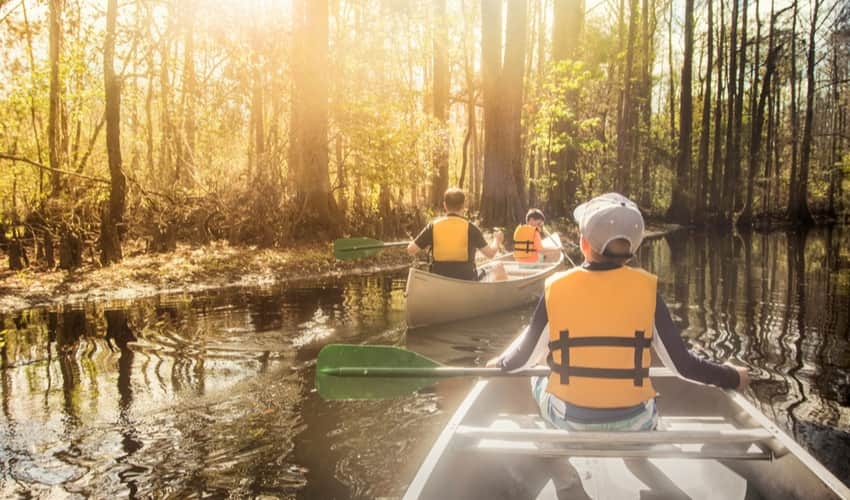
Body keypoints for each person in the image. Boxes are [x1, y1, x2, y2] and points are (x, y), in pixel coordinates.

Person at [486, 193, 748, 431]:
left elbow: (523, 358)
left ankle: (562, 474)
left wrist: (500, 363)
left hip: (570, 419)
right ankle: (638, 459)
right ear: (632, 251)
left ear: (584, 244)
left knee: (539, 371)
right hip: (636, 421)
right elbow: (683, 365)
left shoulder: (555, 287)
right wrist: (732, 376)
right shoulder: (648, 290)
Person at [407, 187, 504, 281]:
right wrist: (497, 240)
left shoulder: (433, 226)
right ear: (463, 206)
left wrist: (414, 240)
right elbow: (490, 254)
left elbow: (411, 250)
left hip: (438, 280)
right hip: (466, 280)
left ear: (445, 205)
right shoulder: (471, 228)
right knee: (498, 265)